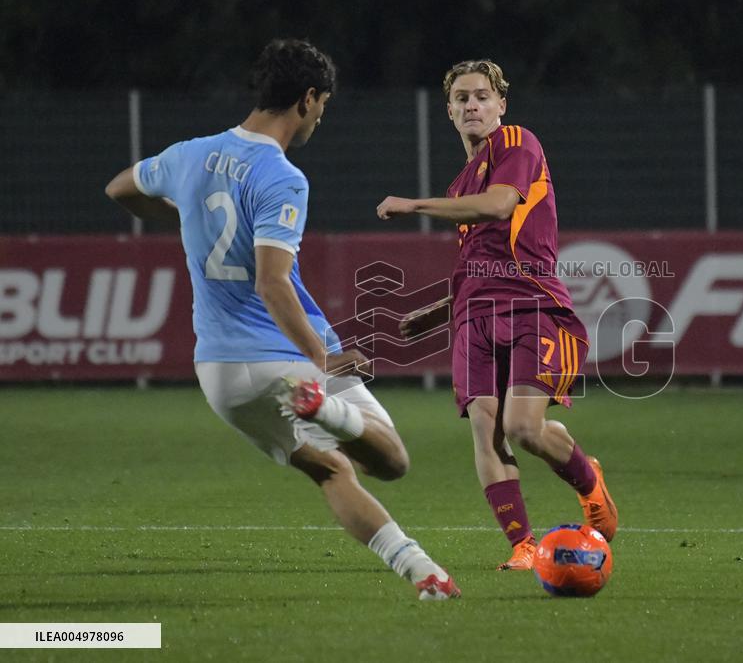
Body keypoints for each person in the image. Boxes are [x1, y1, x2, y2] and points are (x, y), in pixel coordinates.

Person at [104, 38, 459, 600]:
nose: (322, 115)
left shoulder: (189, 154)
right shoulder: (281, 176)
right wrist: (320, 361)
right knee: (391, 459)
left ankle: (424, 574)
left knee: (331, 470)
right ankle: (327, 406)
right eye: (323, 104)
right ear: (308, 99)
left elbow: (119, 187)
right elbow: (272, 283)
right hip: (283, 354)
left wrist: (181, 211)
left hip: (219, 373)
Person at [376, 59, 617, 571]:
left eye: (482, 96)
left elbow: (501, 207)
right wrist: (442, 311)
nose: (472, 105)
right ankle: (524, 546)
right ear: (448, 110)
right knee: (485, 427)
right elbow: (480, 263)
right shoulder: (461, 182)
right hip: (473, 314)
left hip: (531, 302)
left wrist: (414, 205)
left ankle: (589, 481)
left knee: (524, 427)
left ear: (501, 105)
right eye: (461, 98)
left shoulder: (516, 143)